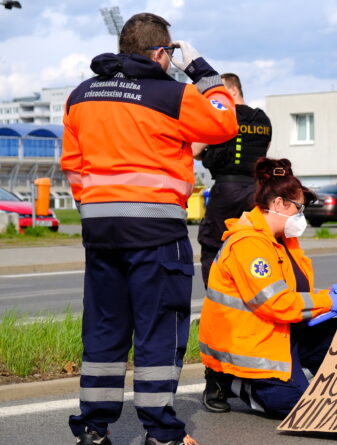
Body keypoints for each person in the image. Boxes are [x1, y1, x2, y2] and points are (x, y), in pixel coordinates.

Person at [60, 12, 238, 445]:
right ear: (162, 53)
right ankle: (161, 433)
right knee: (158, 329)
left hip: (101, 233)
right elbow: (225, 123)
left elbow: (73, 166)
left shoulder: (81, 95)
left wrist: (97, 210)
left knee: (104, 328)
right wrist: (202, 71)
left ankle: (93, 429)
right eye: (171, 52)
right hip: (156, 232)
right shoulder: (172, 94)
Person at [198, 157, 337, 417]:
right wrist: (328, 303)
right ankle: (234, 381)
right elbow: (276, 304)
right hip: (250, 345)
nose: (301, 217)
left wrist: (328, 294)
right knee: (297, 406)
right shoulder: (249, 245)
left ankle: (333, 387)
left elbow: (292, 295)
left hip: (279, 332)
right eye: (299, 209)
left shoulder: (283, 240)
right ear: (278, 204)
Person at [193, 73, 272, 287]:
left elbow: (195, 149)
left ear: (234, 90)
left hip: (227, 191)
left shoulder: (223, 116)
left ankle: (216, 300)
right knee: (252, 244)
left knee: (212, 244)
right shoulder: (263, 119)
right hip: (256, 191)